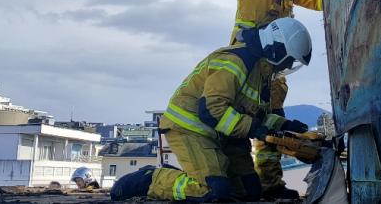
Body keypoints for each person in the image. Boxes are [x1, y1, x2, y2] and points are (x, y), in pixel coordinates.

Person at [110, 18, 313, 202]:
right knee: (212, 190)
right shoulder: (235, 62)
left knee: (249, 191)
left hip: (224, 134)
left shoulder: (262, 72)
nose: (288, 65)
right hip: (191, 128)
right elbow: (211, 109)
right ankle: (151, 180)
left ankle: (194, 173)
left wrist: (284, 124)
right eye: (289, 59)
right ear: (275, 48)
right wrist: (253, 128)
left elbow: (255, 115)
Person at [234, 0, 322, 200]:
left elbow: (320, 0)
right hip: (245, 56)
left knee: (271, 119)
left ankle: (271, 185)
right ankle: (233, 179)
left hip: (273, 62)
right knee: (238, 119)